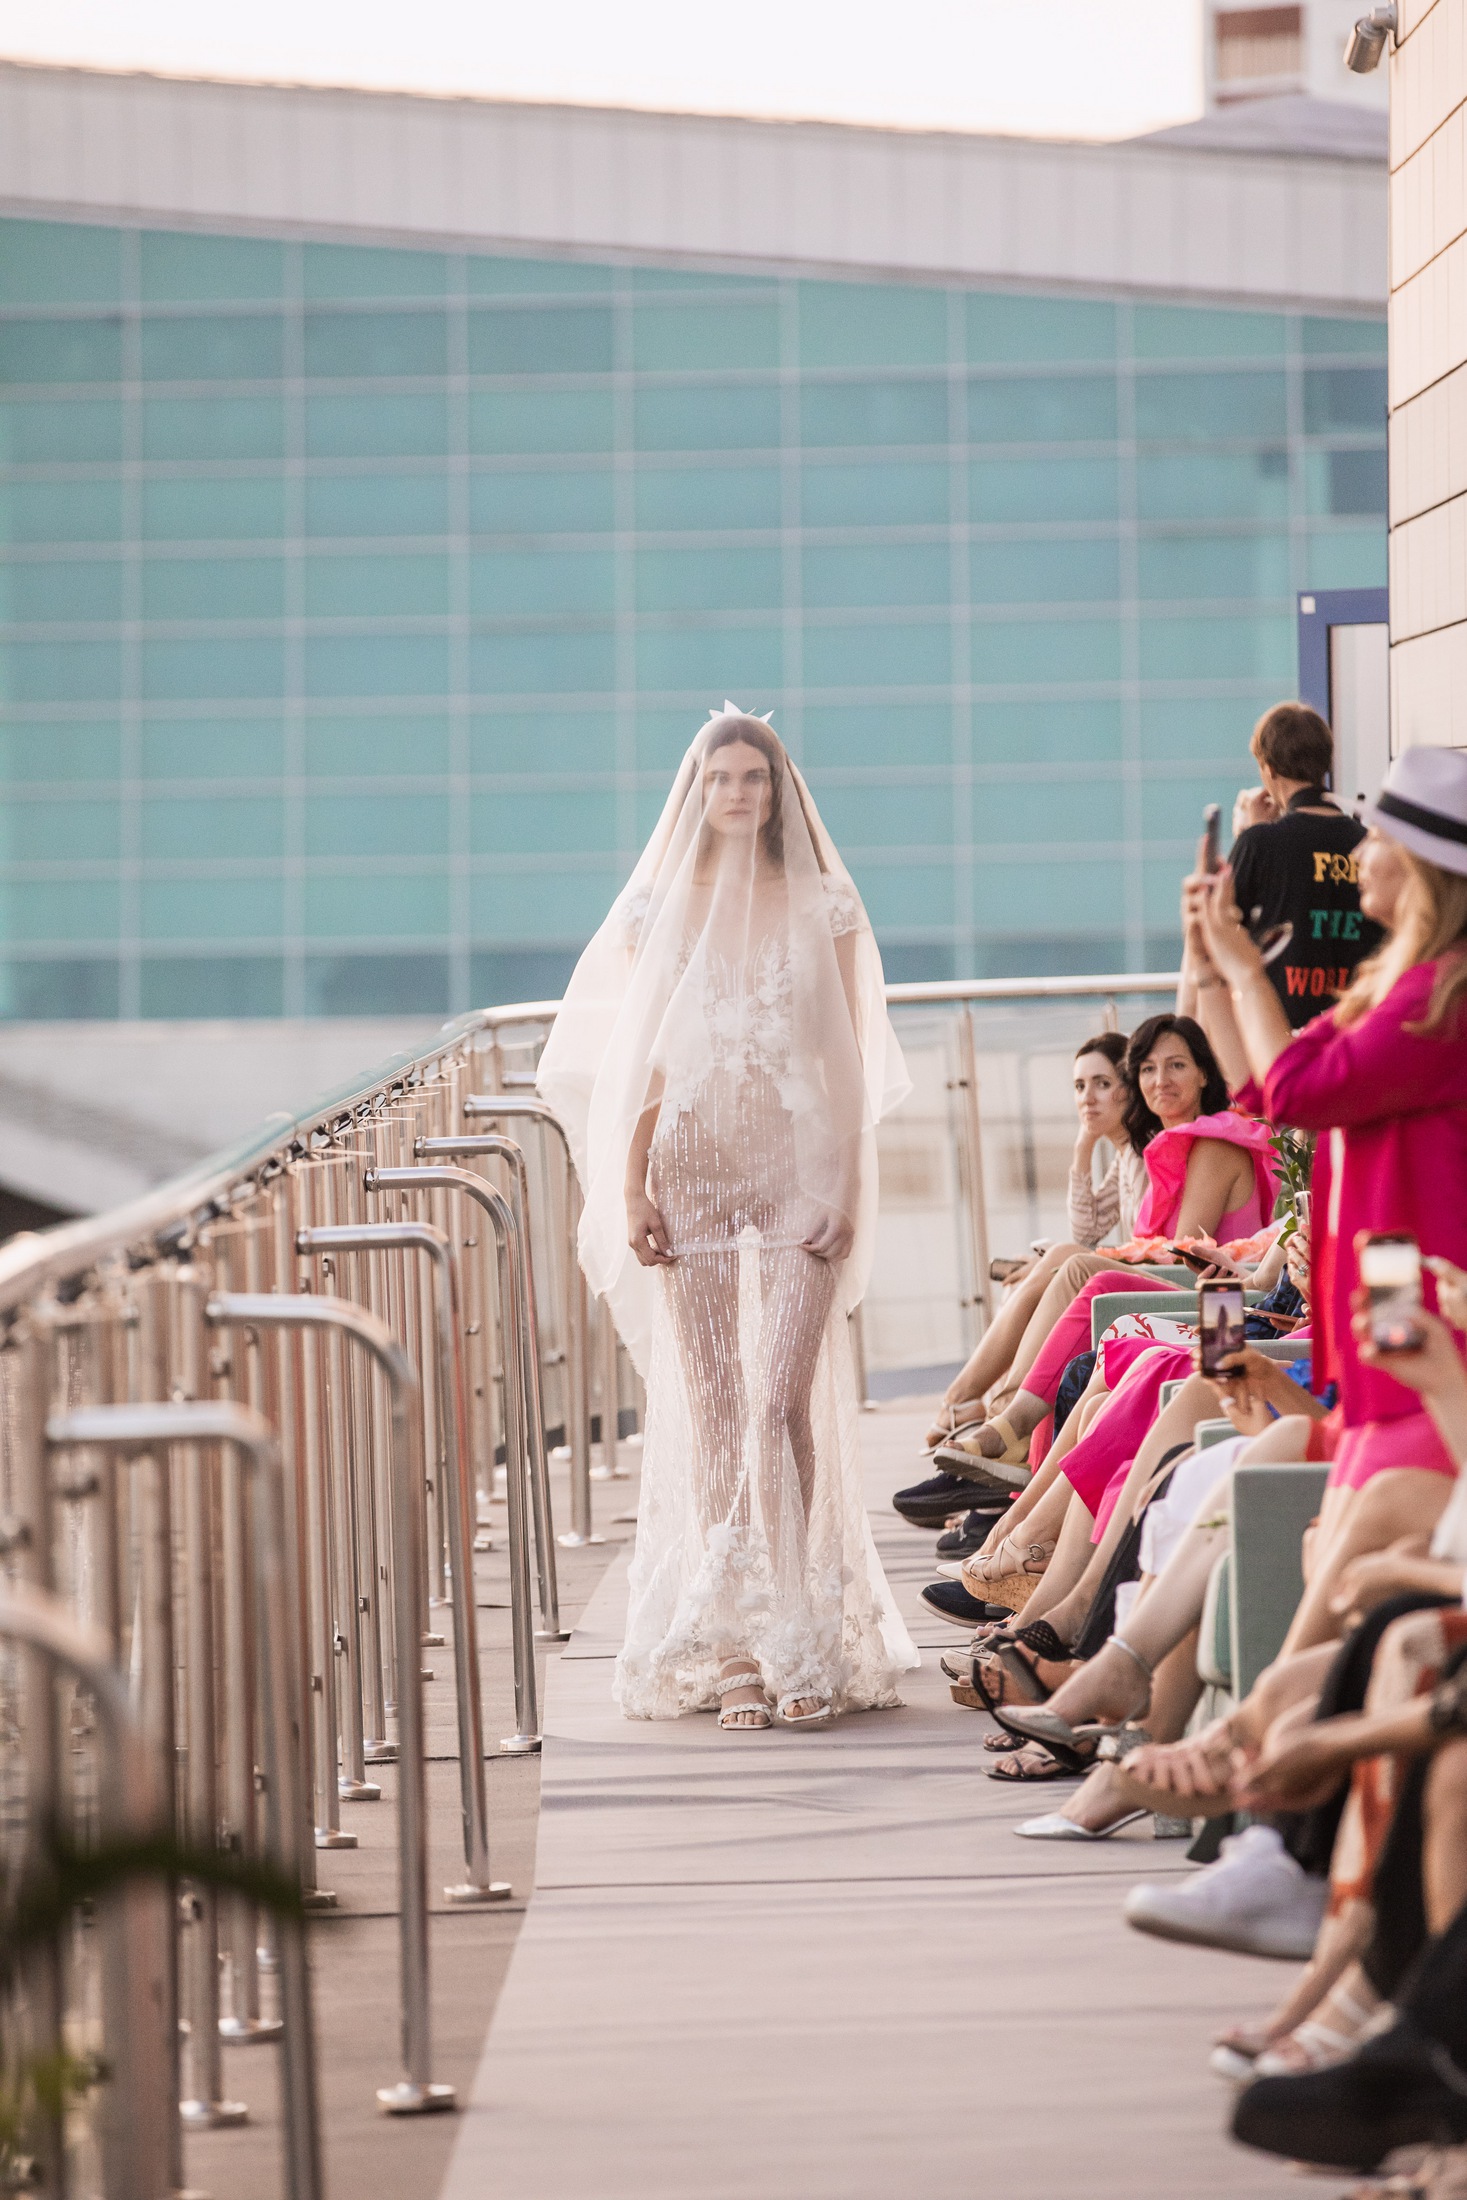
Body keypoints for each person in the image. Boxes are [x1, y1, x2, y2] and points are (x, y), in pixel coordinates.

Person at [537, 706, 917, 1733]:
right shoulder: (655, 909)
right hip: (690, 1168)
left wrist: (842, 1185)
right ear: (697, 793)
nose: (738, 794)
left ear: (779, 790)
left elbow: (845, 1062)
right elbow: (644, 1063)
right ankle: (734, 1647)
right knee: (714, 1406)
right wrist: (631, 1186)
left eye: (755, 777)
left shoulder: (825, 901)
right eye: (721, 779)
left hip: (799, 1166)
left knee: (778, 1401)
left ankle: (798, 1626)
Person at [1212, 700, 1382, 1030]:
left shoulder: (1259, 843)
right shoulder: (1369, 844)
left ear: (1269, 769)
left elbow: (1223, 934)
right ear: (1325, 763)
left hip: (1281, 1034)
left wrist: (1250, 836)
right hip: (1360, 1028)